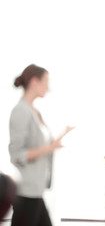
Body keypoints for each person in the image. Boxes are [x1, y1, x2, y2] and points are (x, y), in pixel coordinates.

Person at [8, 64, 73, 226]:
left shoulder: (35, 112)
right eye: (46, 82)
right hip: (26, 193)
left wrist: (59, 138)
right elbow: (17, 155)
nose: (48, 88)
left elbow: (41, 145)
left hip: (37, 191)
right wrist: (49, 148)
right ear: (34, 81)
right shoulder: (21, 111)